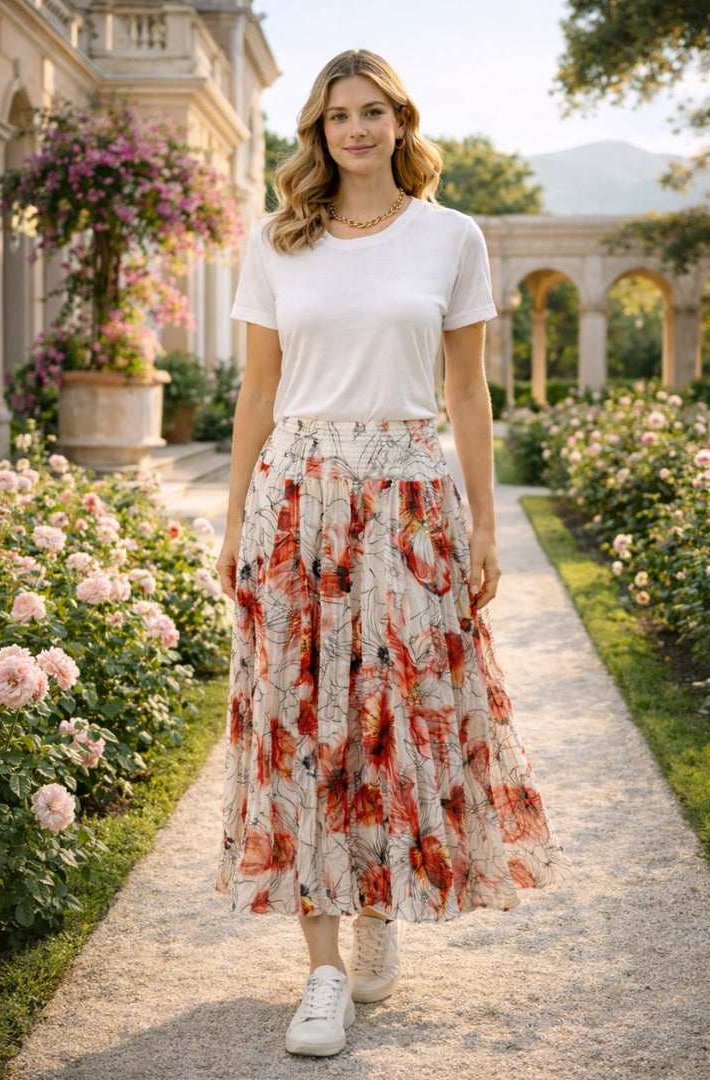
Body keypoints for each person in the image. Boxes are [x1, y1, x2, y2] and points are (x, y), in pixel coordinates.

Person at [213, 47, 572, 1058]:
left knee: (392, 723)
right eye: (339, 116)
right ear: (318, 134)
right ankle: (320, 971)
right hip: (298, 503)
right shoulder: (278, 243)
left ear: (402, 124)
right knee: (298, 729)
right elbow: (256, 392)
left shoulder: (453, 238)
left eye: (375, 112)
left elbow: (467, 392)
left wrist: (487, 528)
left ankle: (377, 919)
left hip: (412, 506)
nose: (359, 130)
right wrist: (235, 521)